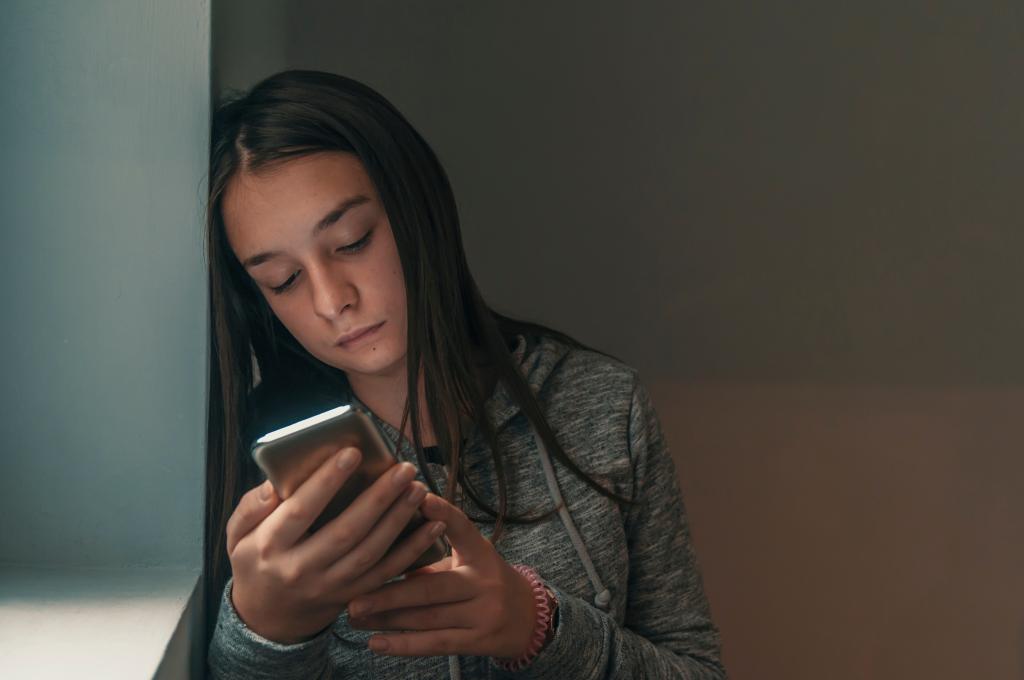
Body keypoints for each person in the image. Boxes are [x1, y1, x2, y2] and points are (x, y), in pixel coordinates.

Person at [203, 69, 725, 679]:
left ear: (417, 206)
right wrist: (268, 631)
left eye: (351, 241)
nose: (329, 300)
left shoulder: (603, 406)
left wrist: (537, 627)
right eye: (283, 281)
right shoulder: (260, 467)